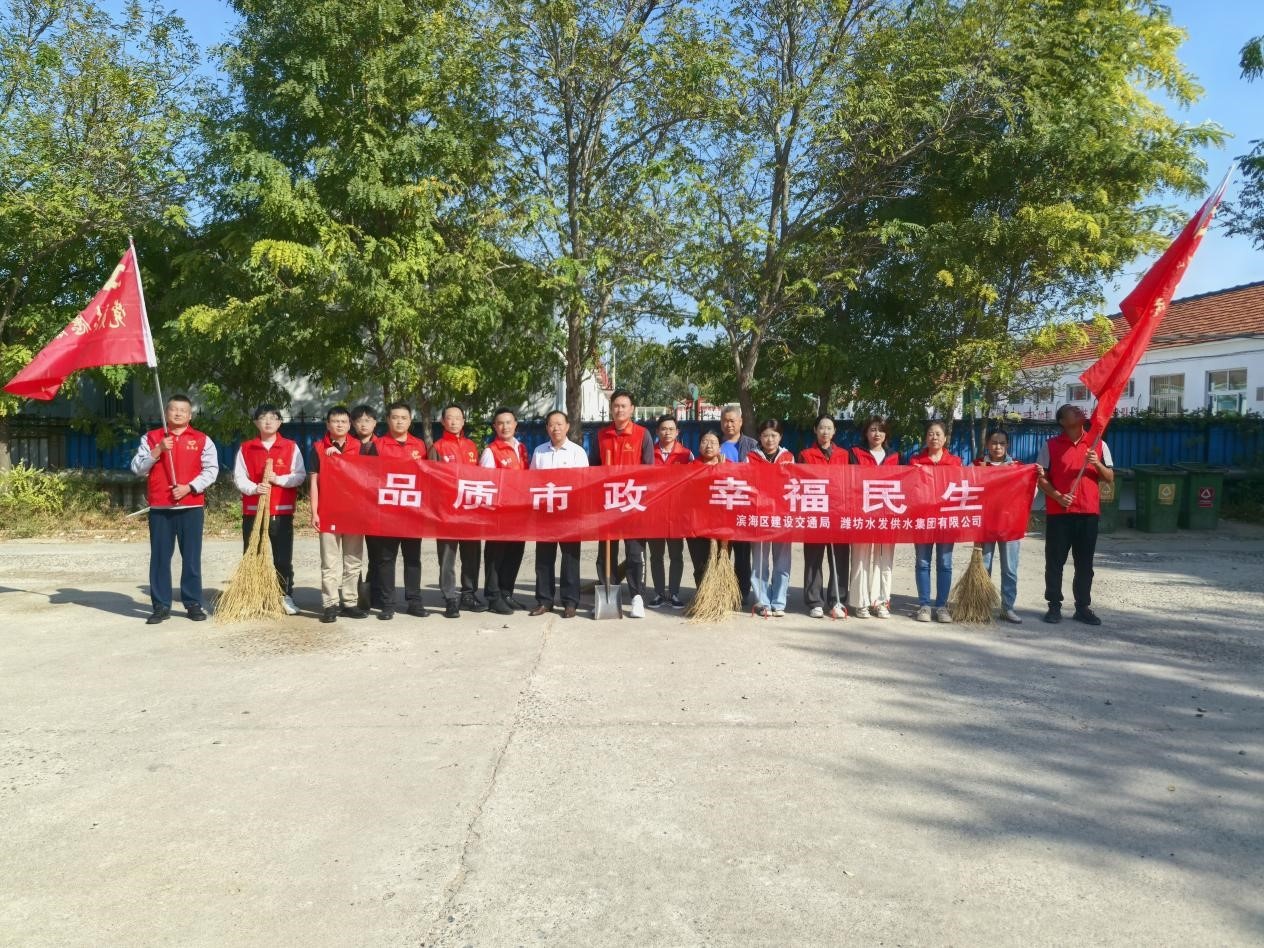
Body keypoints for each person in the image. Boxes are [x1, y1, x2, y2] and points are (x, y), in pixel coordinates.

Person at [129, 394, 219, 624]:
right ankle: (161, 606)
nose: (178, 413)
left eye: (183, 410)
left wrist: (189, 487)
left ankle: (193, 603)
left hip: (191, 507)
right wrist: (158, 450)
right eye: (174, 409)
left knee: (191, 558)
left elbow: (211, 470)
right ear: (166, 412)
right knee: (160, 558)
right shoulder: (152, 438)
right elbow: (137, 468)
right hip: (161, 508)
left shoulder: (201, 439)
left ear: (190, 415)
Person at [1037, 404, 1114, 626]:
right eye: (1072, 409)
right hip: (1059, 513)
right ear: (1062, 421)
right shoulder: (1050, 445)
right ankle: (1054, 606)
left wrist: (1096, 463)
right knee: (1055, 562)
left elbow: (1109, 477)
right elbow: (1041, 478)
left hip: (1088, 513)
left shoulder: (1098, 444)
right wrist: (1058, 496)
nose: (1079, 411)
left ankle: (1082, 607)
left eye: (1079, 409)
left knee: (1085, 564)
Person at [232, 404, 307, 616]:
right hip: (253, 511)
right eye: (263, 418)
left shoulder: (290, 447)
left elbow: (299, 475)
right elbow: (239, 477)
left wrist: (278, 479)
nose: (268, 421)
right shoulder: (247, 448)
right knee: (253, 554)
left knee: (282, 558)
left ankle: (284, 595)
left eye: (273, 418)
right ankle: (252, 597)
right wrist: (254, 488)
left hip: (280, 511)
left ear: (279, 422)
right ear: (256, 422)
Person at [590, 389, 653, 618]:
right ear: (611, 409)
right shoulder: (601, 435)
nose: (619, 410)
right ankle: (609, 590)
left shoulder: (642, 434)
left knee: (635, 552)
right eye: (616, 406)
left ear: (632, 409)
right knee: (606, 552)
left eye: (624, 406)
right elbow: (593, 468)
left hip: (632, 501)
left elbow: (649, 470)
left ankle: (637, 597)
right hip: (608, 502)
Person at [308, 405, 366, 623]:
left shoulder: (360, 447)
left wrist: (341, 460)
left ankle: (350, 602)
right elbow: (314, 483)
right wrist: (314, 512)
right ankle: (330, 604)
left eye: (343, 421)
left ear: (350, 425)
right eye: (335, 421)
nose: (339, 425)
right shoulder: (317, 448)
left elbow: (367, 478)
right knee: (329, 562)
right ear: (328, 424)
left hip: (354, 512)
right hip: (328, 511)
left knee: (353, 560)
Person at [371, 401, 428, 620]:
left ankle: (414, 601)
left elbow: (428, 476)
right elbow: (368, 476)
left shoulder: (419, 445)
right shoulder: (378, 445)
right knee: (386, 559)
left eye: (404, 418)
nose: (399, 421)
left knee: (413, 558)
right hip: (388, 511)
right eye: (395, 417)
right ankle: (388, 604)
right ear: (388, 420)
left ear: (410, 420)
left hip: (412, 510)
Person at [529, 409, 589, 618]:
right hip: (545, 513)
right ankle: (544, 601)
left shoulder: (577, 452)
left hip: (569, 513)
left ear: (567, 427)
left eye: (560, 424)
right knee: (544, 558)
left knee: (570, 558)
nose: (556, 428)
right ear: (547, 428)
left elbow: (585, 483)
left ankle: (570, 602)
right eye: (552, 424)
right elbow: (531, 481)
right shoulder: (539, 452)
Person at [429, 404, 485, 618]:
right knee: (447, 557)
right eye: (449, 418)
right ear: (443, 421)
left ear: (463, 421)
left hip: (470, 510)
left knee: (472, 555)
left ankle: (469, 595)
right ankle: (450, 598)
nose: (453, 422)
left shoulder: (472, 446)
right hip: (446, 512)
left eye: (458, 418)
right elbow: (431, 481)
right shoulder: (437, 447)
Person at [798, 414, 850, 620]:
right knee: (813, 558)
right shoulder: (806, 454)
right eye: (821, 428)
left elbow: (851, 483)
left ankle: (837, 600)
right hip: (815, 511)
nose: (825, 432)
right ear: (815, 430)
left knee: (840, 558)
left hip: (839, 513)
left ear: (834, 431)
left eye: (829, 428)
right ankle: (815, 601)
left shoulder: (844, 455)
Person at [908, 420, 961, 623]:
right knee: (923, 562)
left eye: (938, 434)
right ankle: (924, 605)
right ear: (925, 437)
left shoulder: (954, 462)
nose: (934, 437)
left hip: (946, 520)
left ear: (945, 438)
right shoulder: (915, 461)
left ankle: (941, 606)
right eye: (931, 433)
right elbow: (910, 489)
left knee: (945, 563)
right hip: (923, 519)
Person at [481, 407, 530, 614]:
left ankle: (506, 592)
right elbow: (486, 483)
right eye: (500, 423)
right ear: (495, 426)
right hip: (499, 513)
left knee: (514, 553)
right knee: (496, 555)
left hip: (520, 511)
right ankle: (493, 597)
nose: (505, 426)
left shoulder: (522, 448)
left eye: (508, 422)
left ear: (515, 424)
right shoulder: (491, 451)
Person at [849, 415, 899, 619]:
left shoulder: (895, 456)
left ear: (886, 434)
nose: (877, 433)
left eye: (881, 430)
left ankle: (881, 602)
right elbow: (849, 480)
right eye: (873, 429)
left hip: (887, 514)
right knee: (860, 557)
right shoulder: (855, 453)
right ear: (866, 433)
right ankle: (860, 602)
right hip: (863, 513)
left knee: (883, 559)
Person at [975, 429, 1023, 624]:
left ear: (1007, 445)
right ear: (987, 444)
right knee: (983, 567)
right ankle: (982, 607)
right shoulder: (977, 465)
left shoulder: (1017, 466)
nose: (997, 447)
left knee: (1010, 568)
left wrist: (1036, 475)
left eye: (1002, 443)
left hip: (1010, 524)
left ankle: (1007, 608)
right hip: (985, 523)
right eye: (994, 443)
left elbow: (1028, 491)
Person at [748, 419, 794, 617]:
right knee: (760, 561)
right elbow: (746, 483)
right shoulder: (751, 457)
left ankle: (779, 602)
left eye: (774, 435)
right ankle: (762, 601)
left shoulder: (789, 457)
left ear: (780, 437)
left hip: (782, 516)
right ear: (760, 437)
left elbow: (793, 484)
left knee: (782, 560)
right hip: (759, 515)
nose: (769, 439)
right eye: (765, 435)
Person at [647, 414, 693, 609]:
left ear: (677, 432)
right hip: (654, 513)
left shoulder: (686, 455)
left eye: (671, 429)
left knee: (676, 554)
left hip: (676, 513)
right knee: (656, 555)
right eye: (663, 429)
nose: (667, 432)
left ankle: (674, 593)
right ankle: (658, 593)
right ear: (657, 431)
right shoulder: (649, 454)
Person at [718, 406, 760, 605]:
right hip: (721, 508)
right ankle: (722, 590)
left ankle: (742, 592)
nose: (729, 424)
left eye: (732, 420)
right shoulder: (715, 444)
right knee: (722, 553)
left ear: (741, 422)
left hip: (744, 508)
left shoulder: (752, 445)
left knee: (743, 554)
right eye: (725, 420)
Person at [687, 430, 727, 589]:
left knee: (719, 561)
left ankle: (719, 594)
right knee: (700, 563)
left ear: (720, 447)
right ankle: (702, 594)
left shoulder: (729, 465)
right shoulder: (690, 467)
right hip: (696, 524)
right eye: (704, 441)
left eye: (713, 442)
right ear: (699, 446)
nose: (709, 445)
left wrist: (722, 470)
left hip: (721, 524)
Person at [349, 405, 379, 611]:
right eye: (359, 420)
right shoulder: (347, 446)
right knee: (352, 555)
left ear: (375, 423)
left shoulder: (382, 445)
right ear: (353, 423)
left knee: (377, 554)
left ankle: (374, 593)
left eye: (368, 420)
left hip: (376, 508)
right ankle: (355, 593)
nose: (363, 424)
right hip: (352, 506)